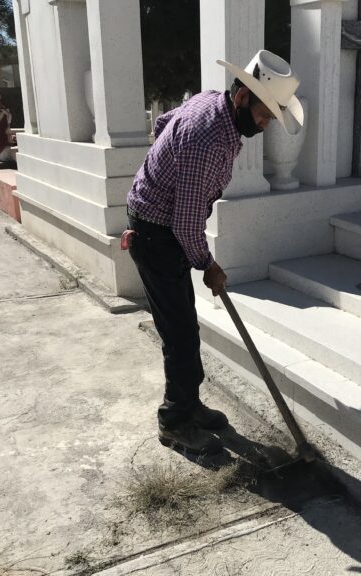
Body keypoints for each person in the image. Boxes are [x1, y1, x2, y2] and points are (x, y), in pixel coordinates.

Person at [126, 50, 303, 455]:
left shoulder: (211, 102)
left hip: (158, 223)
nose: (266, 123)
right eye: (264, 114)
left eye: (273, 116)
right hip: (158, 234)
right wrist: (209, 265)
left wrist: (159, 174)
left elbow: (163, 123)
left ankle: (189, 405)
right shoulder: (208, 137)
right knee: (180, 334)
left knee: (184, 327)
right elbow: (187, 224)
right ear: (242, 97)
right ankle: (175, 422)